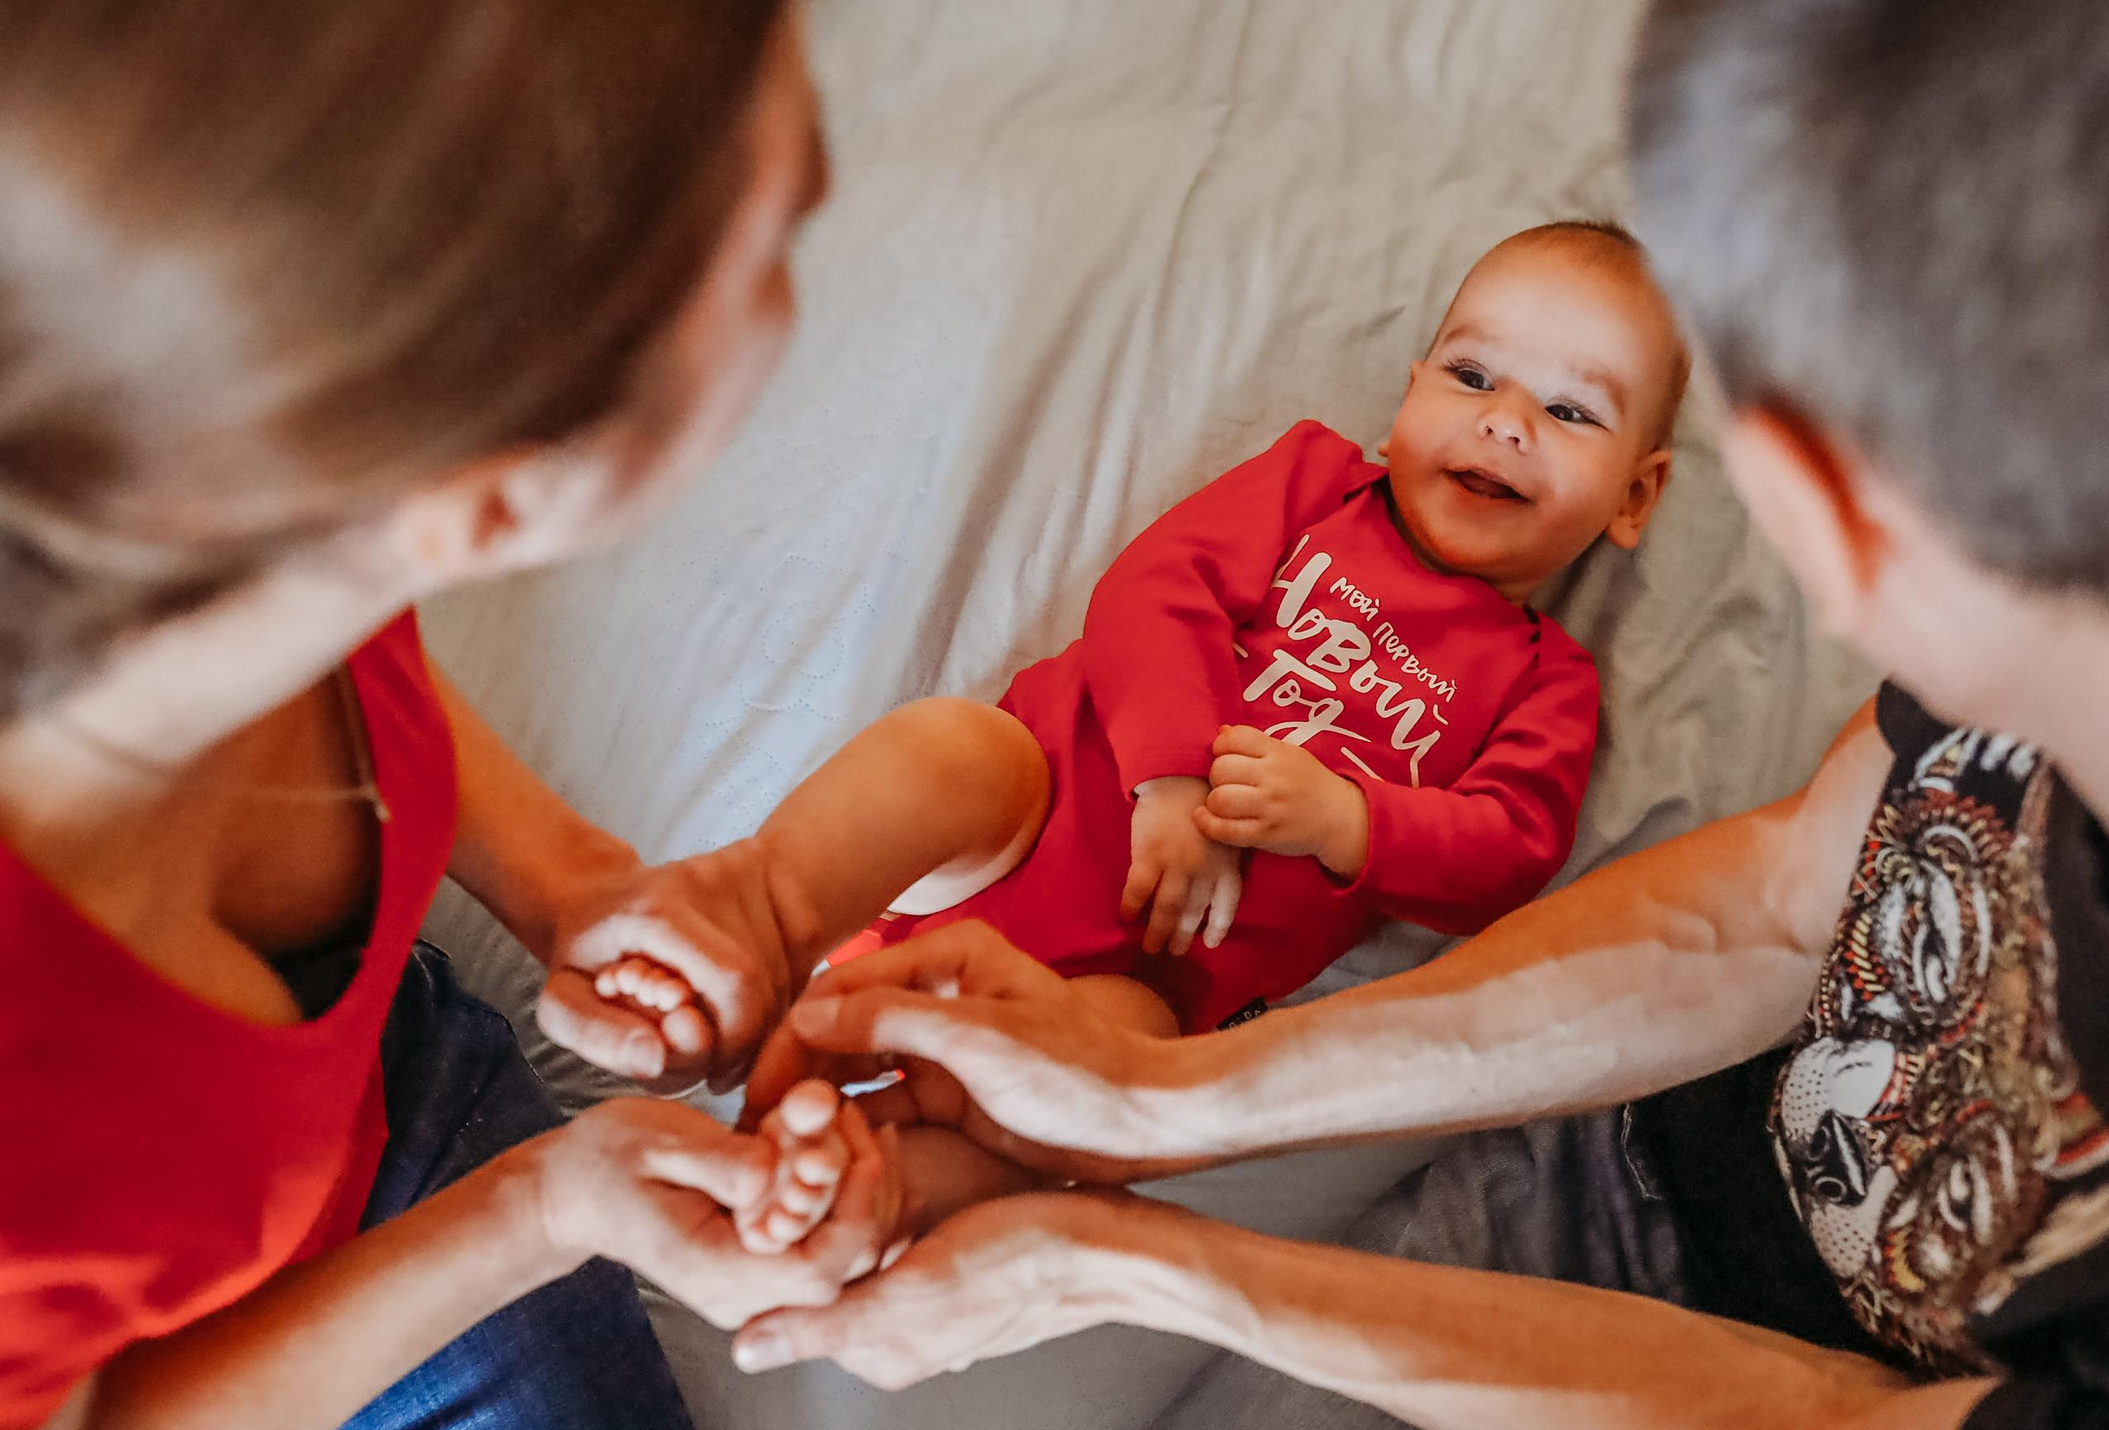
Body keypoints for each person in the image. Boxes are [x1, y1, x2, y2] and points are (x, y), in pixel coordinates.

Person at [730, 3, 2109, 1430]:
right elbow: (1775, 909)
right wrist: (1179, 1104)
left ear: (1838, 527)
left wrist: (1154, 1261)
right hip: (1625, 1205)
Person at [0, 0, 891, 1430]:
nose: (821, 210)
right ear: (499, 498)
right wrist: (533, 1216)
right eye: (779, 241)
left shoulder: (225, 495)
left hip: (377, 1129)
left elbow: (347, 642)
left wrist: (570, 878)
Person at [575, 223, 1684, 1061]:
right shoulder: (1312, 486)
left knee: (1111, 1078)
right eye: (1473, 376)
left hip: (1153, 965)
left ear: (1635, 498)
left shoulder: (1547, 680)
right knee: (946, 746)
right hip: (1038, 801)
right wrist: (1168, 775)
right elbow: (1158, 591)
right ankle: (766, 917)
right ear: (1405, 403)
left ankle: (870, 1166)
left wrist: (1345, 817)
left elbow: (1506, 849)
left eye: (1571, 413)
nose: (1505, 422)